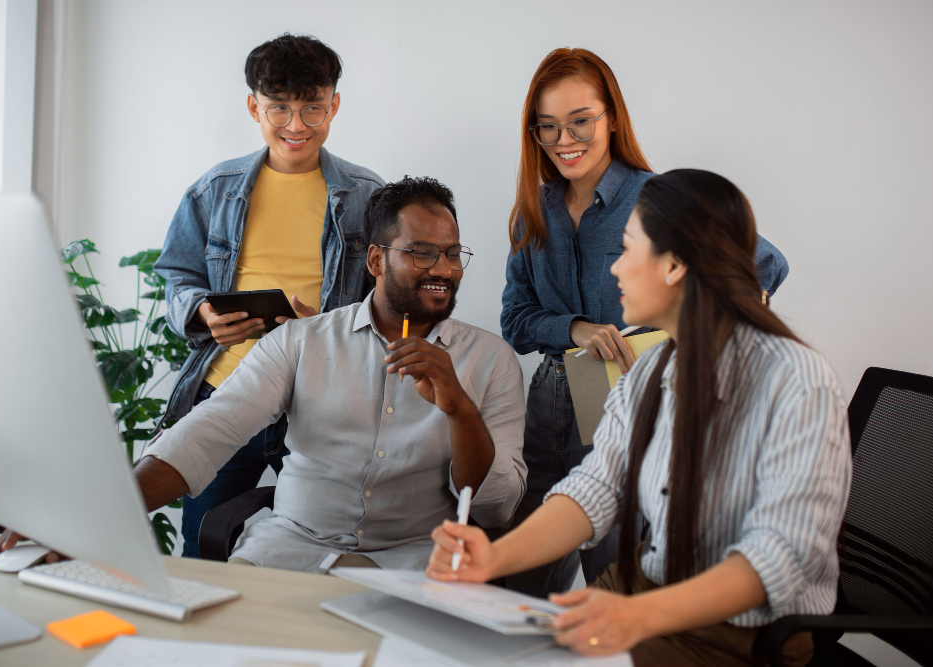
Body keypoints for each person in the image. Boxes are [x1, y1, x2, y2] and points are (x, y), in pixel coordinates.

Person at [428, 169, 851, 666]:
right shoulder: (651, 367)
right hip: (643, 592)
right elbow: (596, 489)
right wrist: (491, 559)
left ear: (673, 265)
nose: (616, 270)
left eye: (628, 250)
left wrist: (640, 616)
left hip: (740, 636)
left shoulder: (798, 381)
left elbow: (778, 558)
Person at [500, 48, 791, 597]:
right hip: (549, 402)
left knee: (612, 580)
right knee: (523, 584)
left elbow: (765, 265)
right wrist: (577, 329)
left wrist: (697, 338)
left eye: (581, 121)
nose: (565, 140)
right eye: (548, 127)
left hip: (625, 392)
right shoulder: (532, 209)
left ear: (612, 117)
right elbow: (515, 320)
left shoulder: (655, 199)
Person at [134, 176, 525, 570]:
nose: (444, 269)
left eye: (452, 254)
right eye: (422, 253)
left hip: (413, 564)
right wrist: (110, 510)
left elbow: (497, 507)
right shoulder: (300, 341)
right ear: (376, 260)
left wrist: (461, 410)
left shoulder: (493, 361)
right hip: (290, 551)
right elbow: (208, 432)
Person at [153, 34, 385, 558]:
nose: (296, 125)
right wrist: (202, 312)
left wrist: (328, 324)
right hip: (226, 390)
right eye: (279, 108)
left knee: (328, 546)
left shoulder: (368, 196)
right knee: (204, 546)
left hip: (322, 397)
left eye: (312, 109)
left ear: (335, 106)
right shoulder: (216, 188)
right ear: (255, 106)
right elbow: (175, 275)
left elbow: (389, 299)